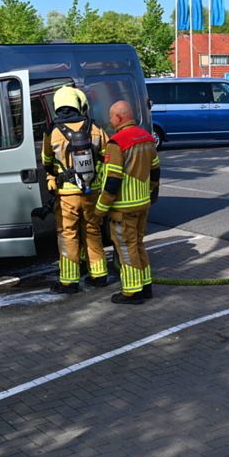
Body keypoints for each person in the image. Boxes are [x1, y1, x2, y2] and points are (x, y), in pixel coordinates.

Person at [42, 86, 109, 293]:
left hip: (67, 194)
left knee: (67, 234)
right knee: (92, 231)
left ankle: (69, 281)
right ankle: (99, 275)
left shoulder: (52, 132)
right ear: (78, 104)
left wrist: (53, 176)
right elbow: (108, 156)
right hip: (92, 191)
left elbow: (46, 160)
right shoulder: (95, 129)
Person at [95, 101, 160, 305]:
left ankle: (132, 292)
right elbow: (155, 171)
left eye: (112, 117)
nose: (110, 121)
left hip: (123, 208)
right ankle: (146, 285)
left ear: (120, 118)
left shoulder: (117, 142)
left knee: (126, 247)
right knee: (138, 244)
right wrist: (148, 194)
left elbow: (113, 179)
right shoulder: (147, 138)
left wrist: (101, 208)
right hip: (142, 204)